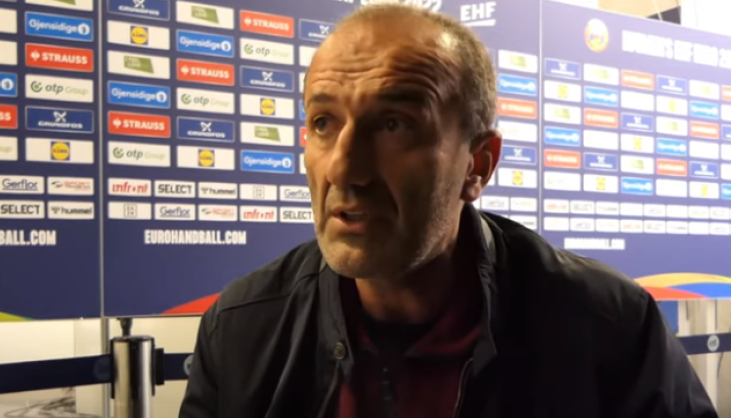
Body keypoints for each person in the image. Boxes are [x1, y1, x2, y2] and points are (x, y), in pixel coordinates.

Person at [179, 4, 717, 418]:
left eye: (394, 125)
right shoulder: (241, 329)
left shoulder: (608, 328)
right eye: (324, 122)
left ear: (477, 165)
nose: (343, 169)